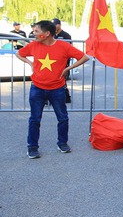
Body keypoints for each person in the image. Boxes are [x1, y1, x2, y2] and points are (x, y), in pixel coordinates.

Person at [16, 20, 89, 159]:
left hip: (57, 88)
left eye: (37, 31)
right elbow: (19, 54)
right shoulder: (34, 45)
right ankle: (32, 147)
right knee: (35, 119)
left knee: (62, 117)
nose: (34, 33)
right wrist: (30, 62)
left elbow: (84, 57)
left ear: (47, 33)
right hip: (37, 88)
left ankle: (62, 143)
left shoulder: (63, 46)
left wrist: (68, 68)